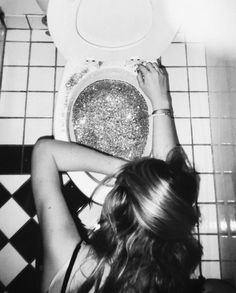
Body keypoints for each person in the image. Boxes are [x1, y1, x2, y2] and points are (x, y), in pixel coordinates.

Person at [31, 61, 236, 293]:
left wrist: (132, 173)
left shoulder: (71, 266)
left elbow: (44, 151)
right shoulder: (169, 279)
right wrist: (160, 105)